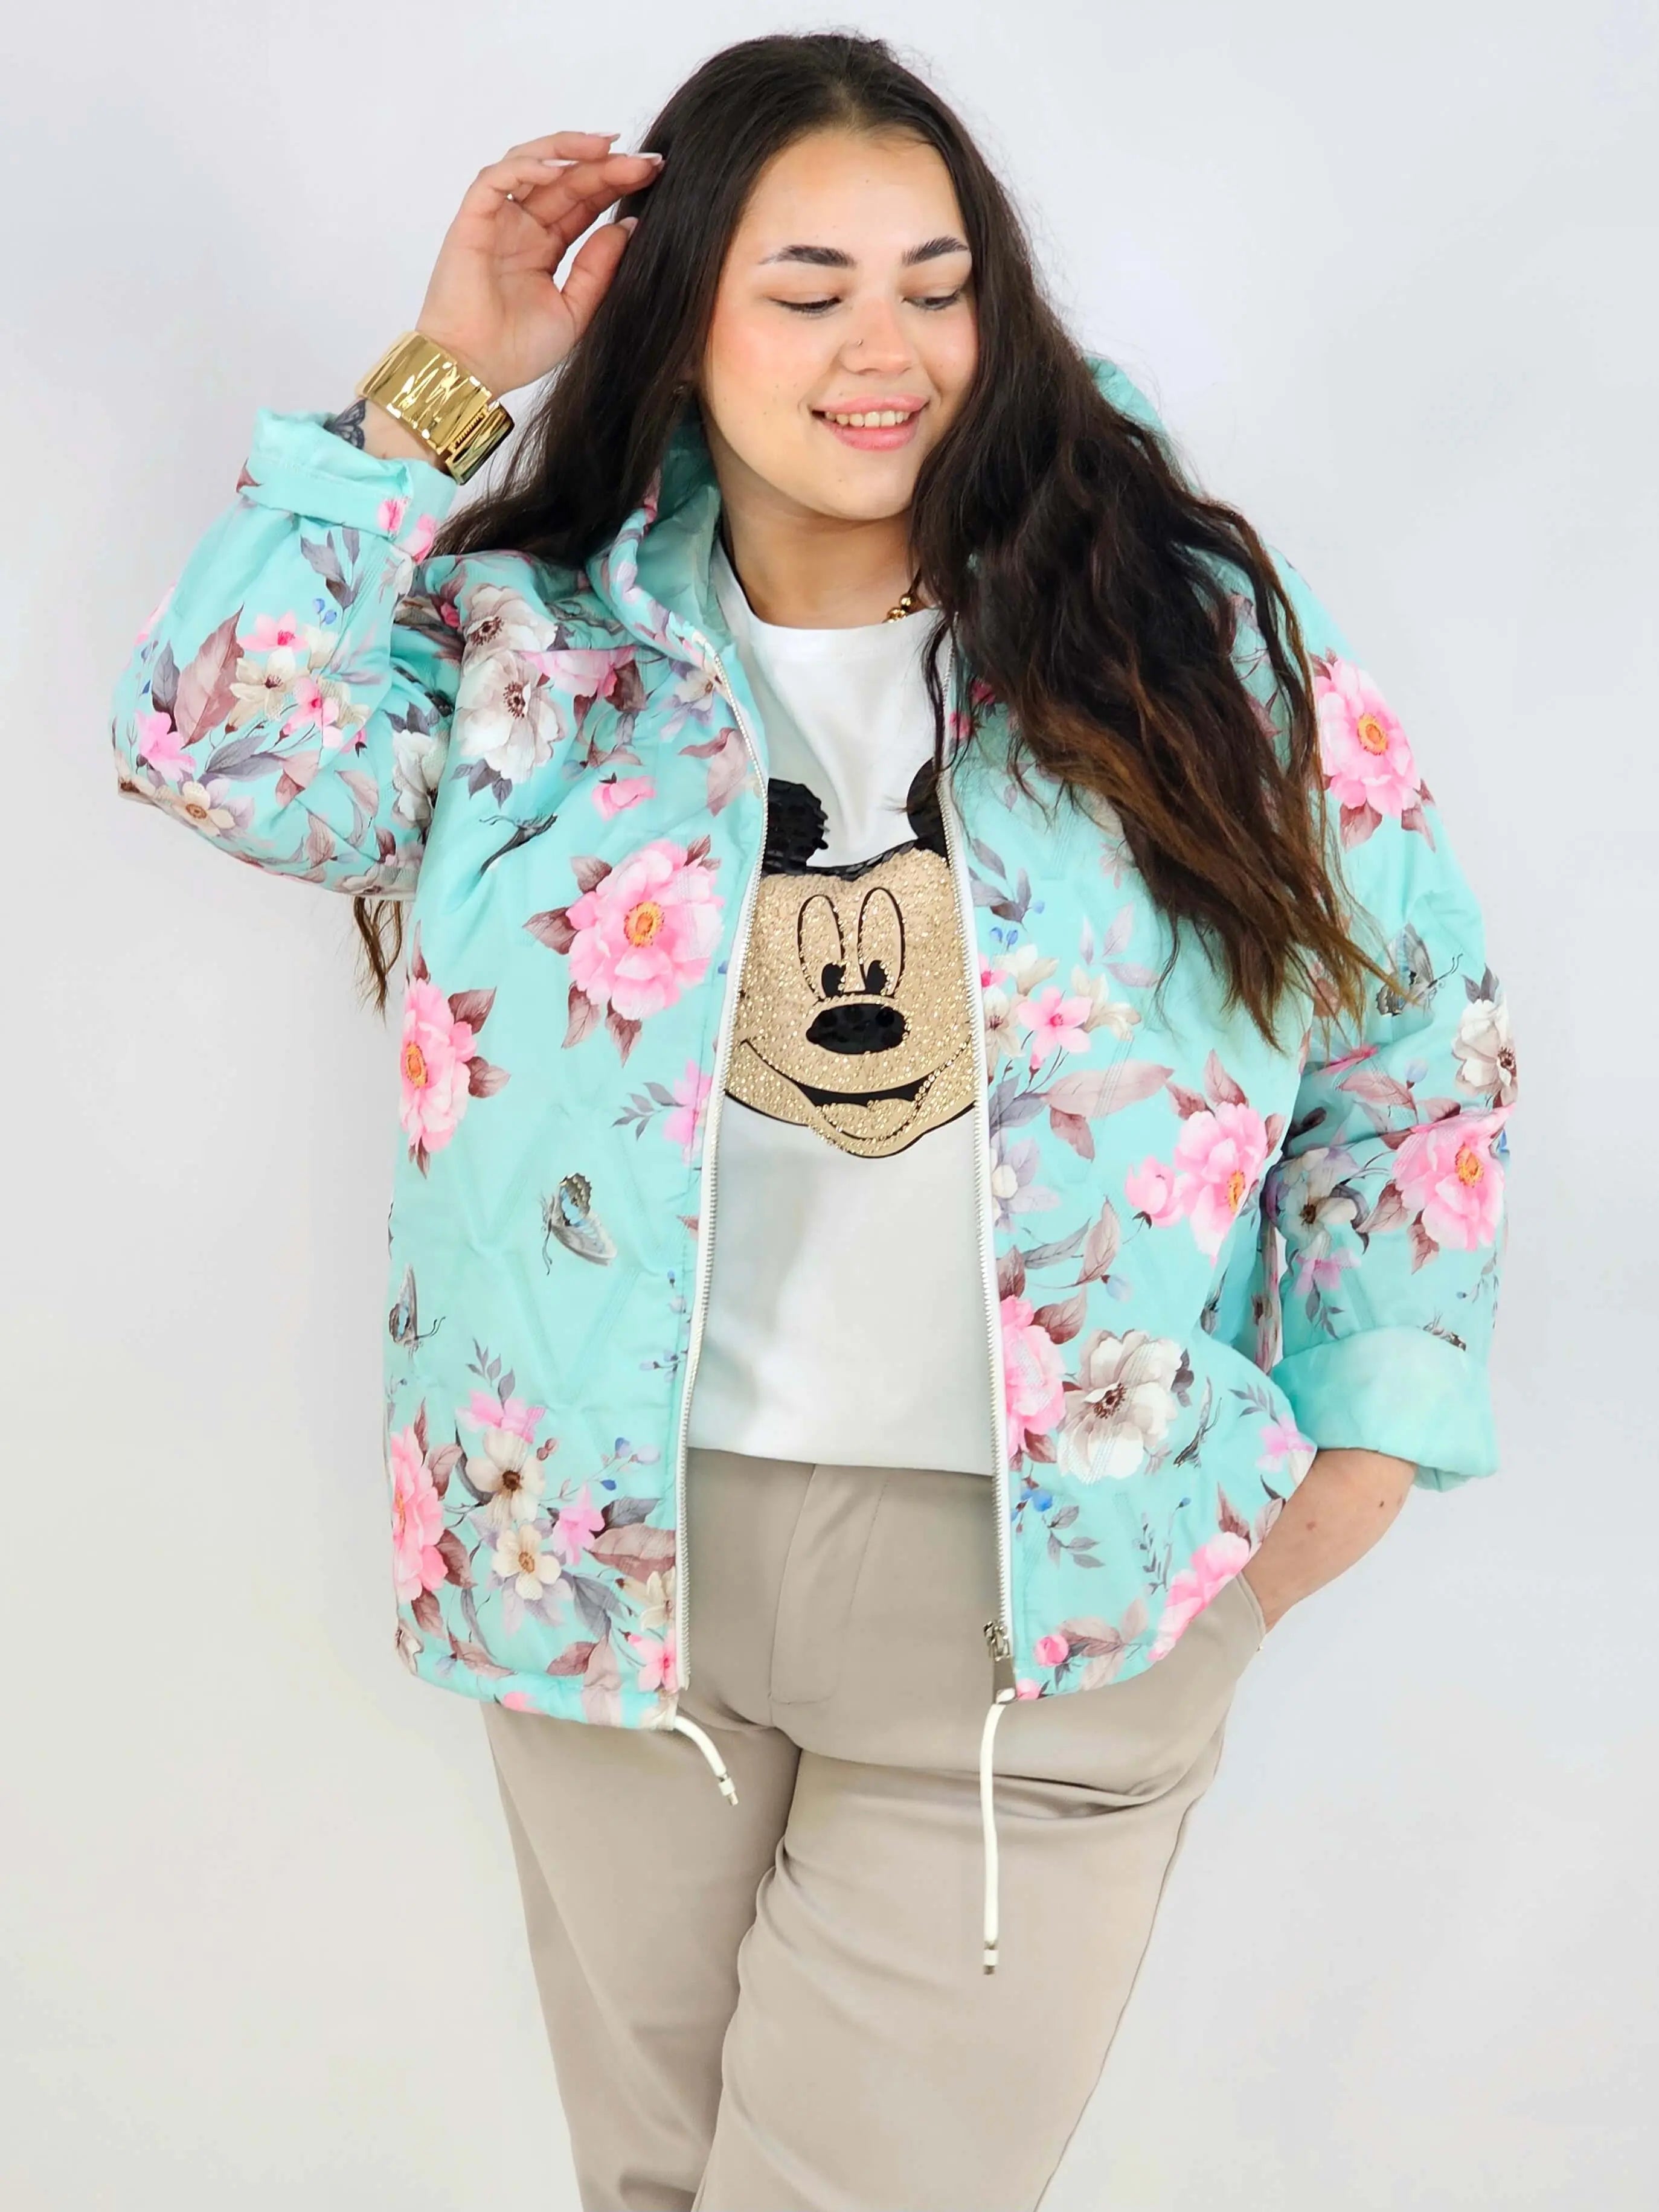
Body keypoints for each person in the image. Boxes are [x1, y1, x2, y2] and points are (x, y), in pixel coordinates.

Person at [107, 31, 1517, 2212]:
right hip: (612, 1582)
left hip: (1053, 1590)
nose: (888, 350)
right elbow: (213, 739)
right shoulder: (535, 661)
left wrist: (1361, 1450)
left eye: (937, 287)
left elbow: (1409, 1031)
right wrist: (443, 383)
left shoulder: (1186, 638)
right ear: (680, 318)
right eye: (808, 289)